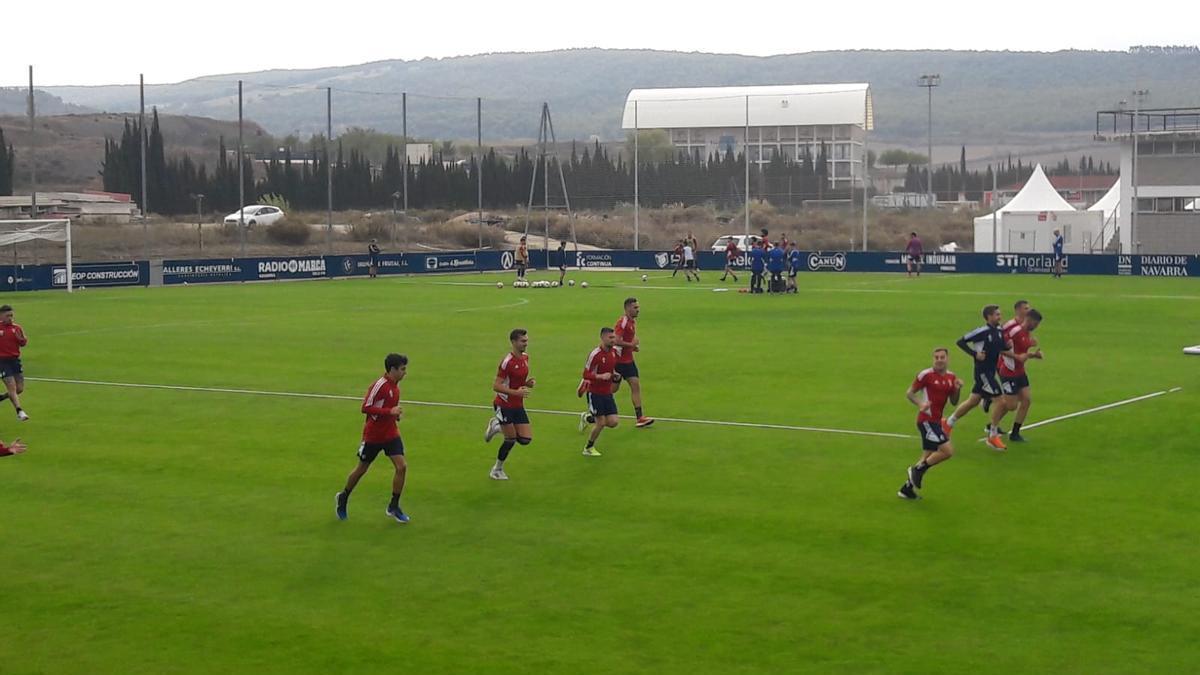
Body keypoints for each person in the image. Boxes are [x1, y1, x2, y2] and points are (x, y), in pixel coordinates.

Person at [335, 353, 410, 523]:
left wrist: (394, 415)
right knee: (361, 469)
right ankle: (343, 496)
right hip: (374, 436)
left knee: (402, 467)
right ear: (392, 369)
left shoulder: (395, 387)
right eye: (403, 369)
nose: (405, 373)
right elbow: (366, 407)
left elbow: (386, 408)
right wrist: (389, 412)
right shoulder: (379, 385)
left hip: (390, 433)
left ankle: (393, 505)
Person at [898, 347, 962, 500]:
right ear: (933, 359)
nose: (939, 360)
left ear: (947, 359)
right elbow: (910, 393)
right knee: (947, 451)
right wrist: (920, 404)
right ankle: (918, 470)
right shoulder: (925, 375)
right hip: (926, 420)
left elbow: (954, 402)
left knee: (928, 455)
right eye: (936, 357)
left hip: (936, 422)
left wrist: (957, 389)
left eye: (942, 357)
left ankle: (906, 489)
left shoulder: (951, 377)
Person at [945, 305, 1008, 433]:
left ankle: (948, 422)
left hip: (991, 371)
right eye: (997, 314)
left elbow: (998, 347)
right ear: (989, 316)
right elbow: (961, 341)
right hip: (983, 372)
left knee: (973, 401)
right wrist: (975, 354)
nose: (1000, 317)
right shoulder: (981, 331)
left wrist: (1007, 346)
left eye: (1000, 314)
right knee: (1001, 401)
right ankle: (992, 433)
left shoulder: (1000, 331)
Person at [988, 308, 1044, 449]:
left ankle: (1015, 433)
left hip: (1020, 371)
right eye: (1035, 324)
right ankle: (992, 427)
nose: (1036, 327)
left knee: (1026, 400)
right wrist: (1017, 357)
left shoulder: (1026, 333)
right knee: (1011, 405)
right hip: (1008, 372)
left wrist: (1033, 354)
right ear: (1029, 320)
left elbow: (1021, 353)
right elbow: (999, 347)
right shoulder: (1015, 331)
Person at [484, 329, 534, 480]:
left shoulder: (525, 358)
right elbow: (496, 386)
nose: (526, 343)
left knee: (525, 439)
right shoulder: (507, 362)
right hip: (504, 404)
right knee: (510, 439)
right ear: (513, 342)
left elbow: (516, 381)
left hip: (517, 404)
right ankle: (496, 469)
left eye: (526, 340)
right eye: (522, 341)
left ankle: (497, 427)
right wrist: (516, 393)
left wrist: (527, 383)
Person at [611, 297, 654, 428]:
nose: (638, 310)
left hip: (629, 360)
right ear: (628, 308)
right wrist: (631, 344)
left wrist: (632, 347)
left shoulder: (632, 322)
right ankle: (593, 404)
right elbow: (615, 340)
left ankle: (640, 417)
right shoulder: (622, 322)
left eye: (638, 307)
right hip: (618, 362)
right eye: (635, 308)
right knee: (612, 389)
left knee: (635, 385)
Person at [580, 327, 621, 456]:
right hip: (595, 393)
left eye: (613, 337)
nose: (613, 340)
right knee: (601, 423)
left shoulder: (614, 352)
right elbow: (585, 374)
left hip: (607, 393)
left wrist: (615, 375)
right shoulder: (595, 354)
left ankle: (587, 417)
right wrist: (600, 376)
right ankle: (588, 448)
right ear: (602, 338)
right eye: (610, 338)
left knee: (613, 422)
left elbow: (611, 368)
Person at [0, 305, 29, 421]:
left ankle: (2, 397)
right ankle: (19, 411)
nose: (10, 318)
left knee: (19, 388)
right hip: (2, 361)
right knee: (12, 387)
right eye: (8, 316)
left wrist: (20, 339)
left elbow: (23, 343)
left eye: (12, 315)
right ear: (1, 316)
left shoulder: (17, 328)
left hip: (15, 361)